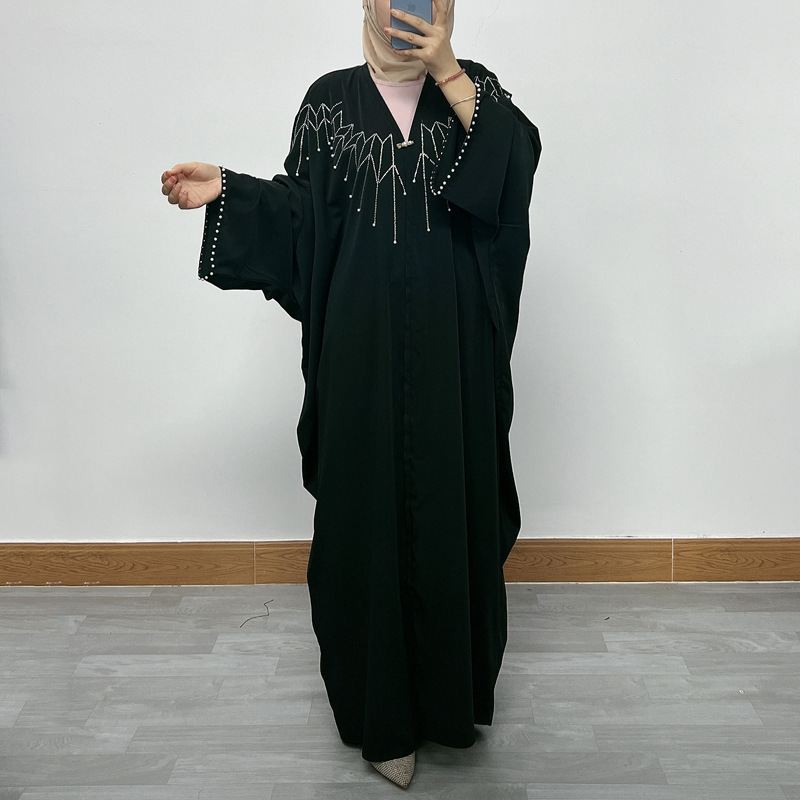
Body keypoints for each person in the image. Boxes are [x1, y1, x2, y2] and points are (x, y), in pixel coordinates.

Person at [161, 0, 541, 789]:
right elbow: (304, 217)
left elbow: (512, 174)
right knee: (363, 513)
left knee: (450, 506)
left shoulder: (475, 90)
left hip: (454, 355)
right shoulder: (329, 100)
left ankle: (449, 704)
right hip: (360, 354)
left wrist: (447, 71)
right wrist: (230, 190)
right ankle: (381, 719)